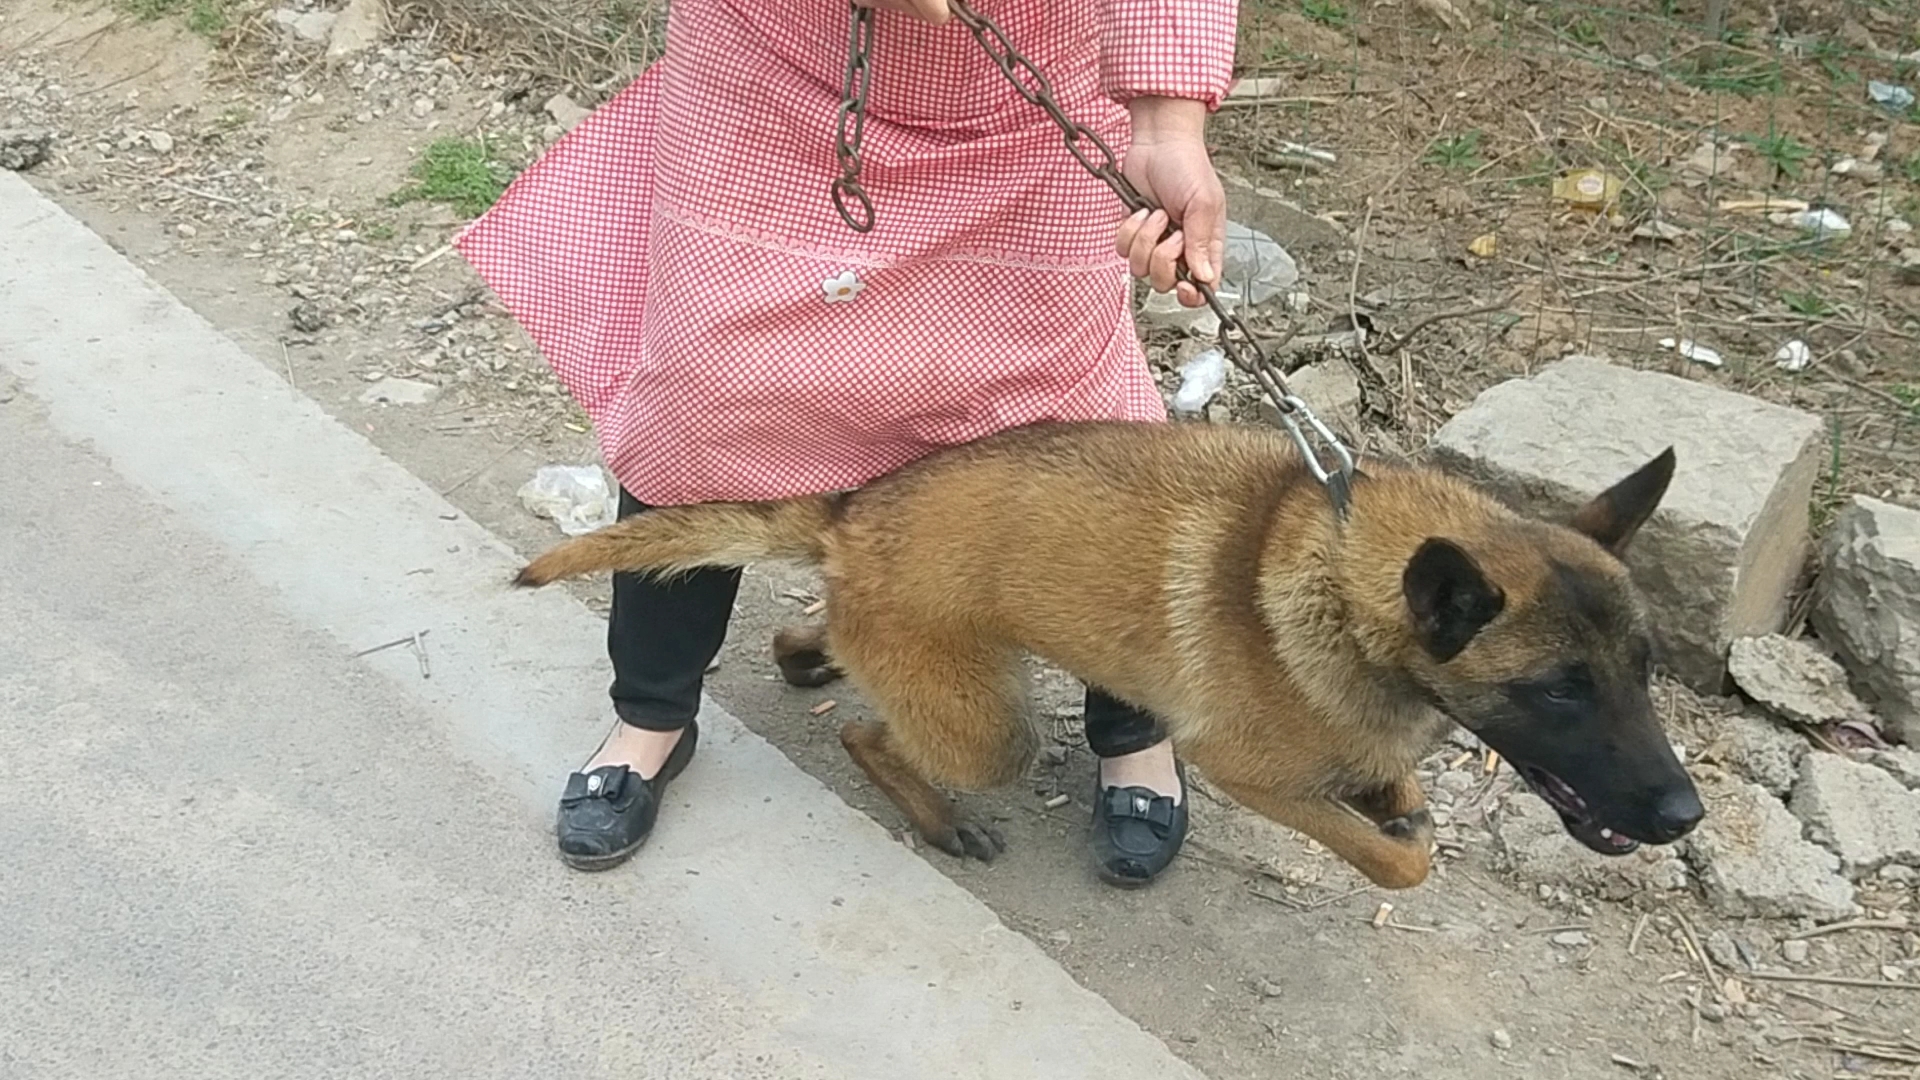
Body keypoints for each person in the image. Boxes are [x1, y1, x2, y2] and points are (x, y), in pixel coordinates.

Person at [454, 0, 1239, 888]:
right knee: (710, 393)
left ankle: (1134, 733)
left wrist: (1167, 121)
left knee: (1072, 423)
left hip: (1032, 79)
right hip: (772, 61)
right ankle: (652, 714)